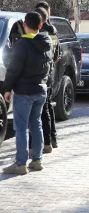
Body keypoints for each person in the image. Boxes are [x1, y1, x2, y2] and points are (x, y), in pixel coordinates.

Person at [2, 12, 53, 175]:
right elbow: (49, 67)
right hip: (41, 90)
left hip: (24, 91)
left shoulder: (22, 44)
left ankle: (20, 164)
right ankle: (37, 161)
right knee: (36, 124)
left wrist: (7, 88)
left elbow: (13, 69)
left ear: (24, 24)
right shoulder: (47, 42)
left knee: (22, 127)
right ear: (40, 25)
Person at [35, 1, 60, 149]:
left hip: (43, 74)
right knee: (47, 107)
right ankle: (51, 139)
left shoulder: (38, 31)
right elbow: (57, 54)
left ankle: (47, 141)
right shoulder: (53, 30)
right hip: (49, 72)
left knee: (43, 109)